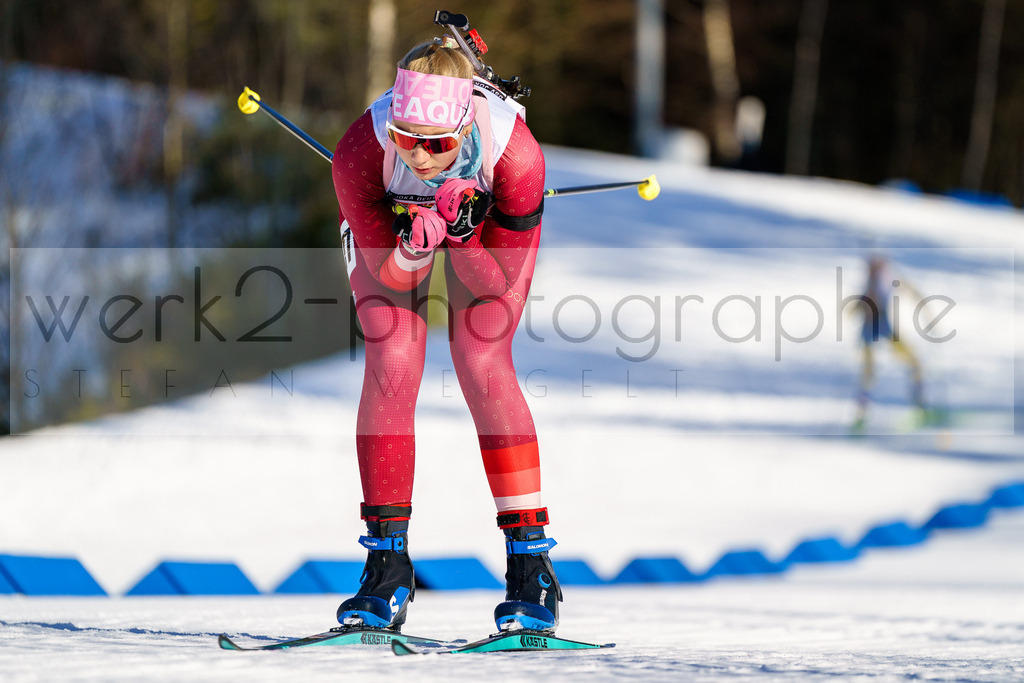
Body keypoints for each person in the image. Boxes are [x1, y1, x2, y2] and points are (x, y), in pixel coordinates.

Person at [330, 35, 561, 634]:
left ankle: (530, 568)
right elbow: (388, 276)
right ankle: (385, 569)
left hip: (486, 233)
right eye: (407, 138)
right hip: (397, 222)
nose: (422, 157)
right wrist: (413, 243)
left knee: (482, 359)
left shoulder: (516, 157)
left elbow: (493, 286)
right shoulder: (361, 150)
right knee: (391, 356)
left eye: (437, 143)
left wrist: (462, 235)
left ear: (465, 125)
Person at [852, 254, 926, 431]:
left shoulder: (884, 282)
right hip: (874, 329)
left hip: (882, 328)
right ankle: (862, 412)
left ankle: (918, 404)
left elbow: (911, 291)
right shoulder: (872, 287)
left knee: (912, 362)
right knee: (869, 372)